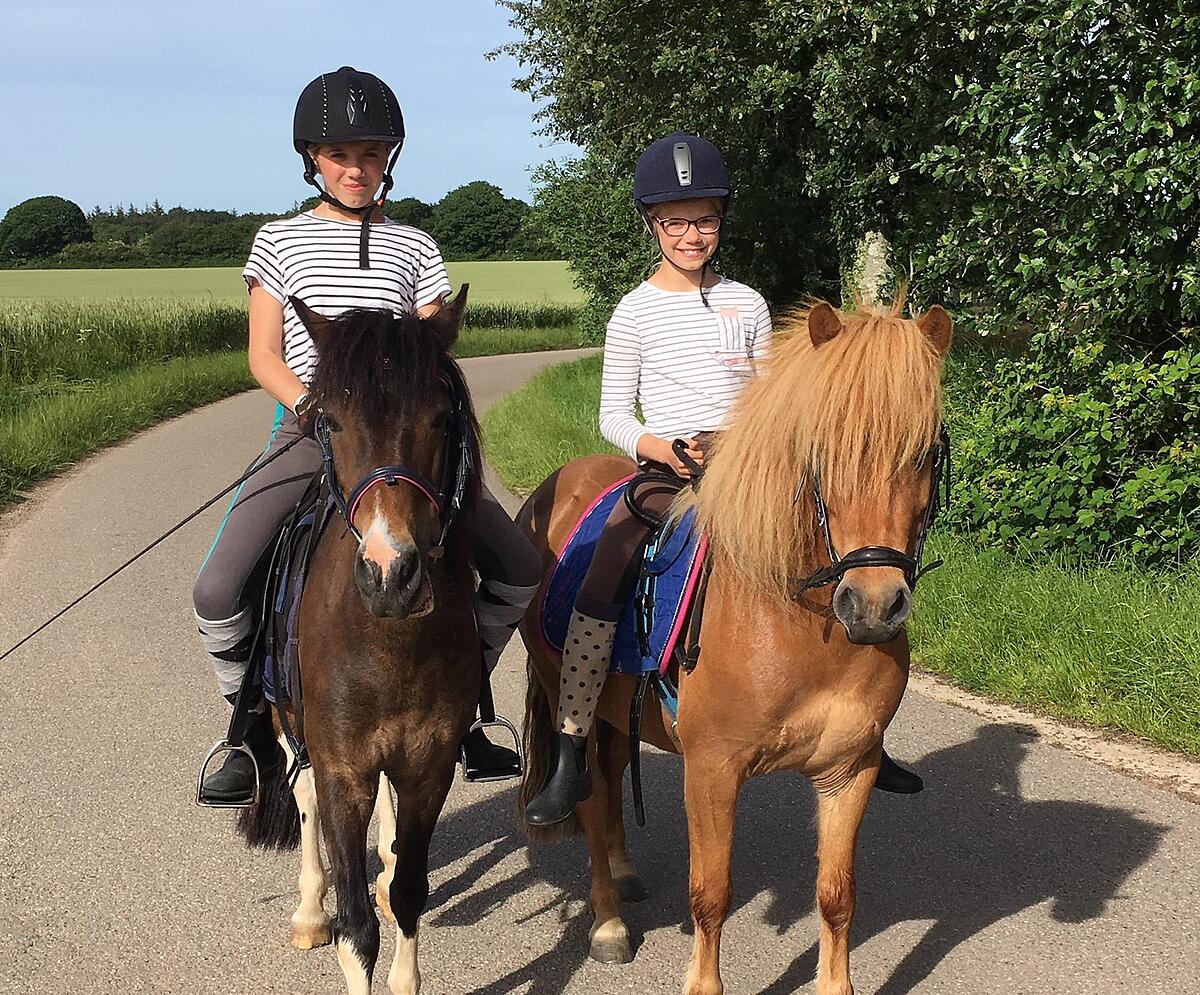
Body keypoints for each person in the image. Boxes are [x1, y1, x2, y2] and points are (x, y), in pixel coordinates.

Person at [523, 132, 922, 827]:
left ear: (721, 221)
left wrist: (752, 445)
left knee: (846, 550)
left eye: (704, 219)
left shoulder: (749, 303)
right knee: (604, 572)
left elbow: (772, 399)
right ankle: (572, 742)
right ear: (653, 224)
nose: (691, 235)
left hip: (752, 472)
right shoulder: (634, 311)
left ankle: (862, 727)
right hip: (666, 475)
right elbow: (613, 414)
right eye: (675, 221)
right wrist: (663, 447)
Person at [194, 66, 539, 806]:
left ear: (390, 158)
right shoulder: (279, 242)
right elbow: (263, 354)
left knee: (517, 566)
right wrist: (310, 406)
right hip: (314, 428)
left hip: (405, 446)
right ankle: (248, 728)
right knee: (217, 588)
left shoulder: (415, 247)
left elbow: (432, 347)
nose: (356, 168)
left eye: (371, 154)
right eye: (339, 154)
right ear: (312, 159)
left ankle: (467, 703)